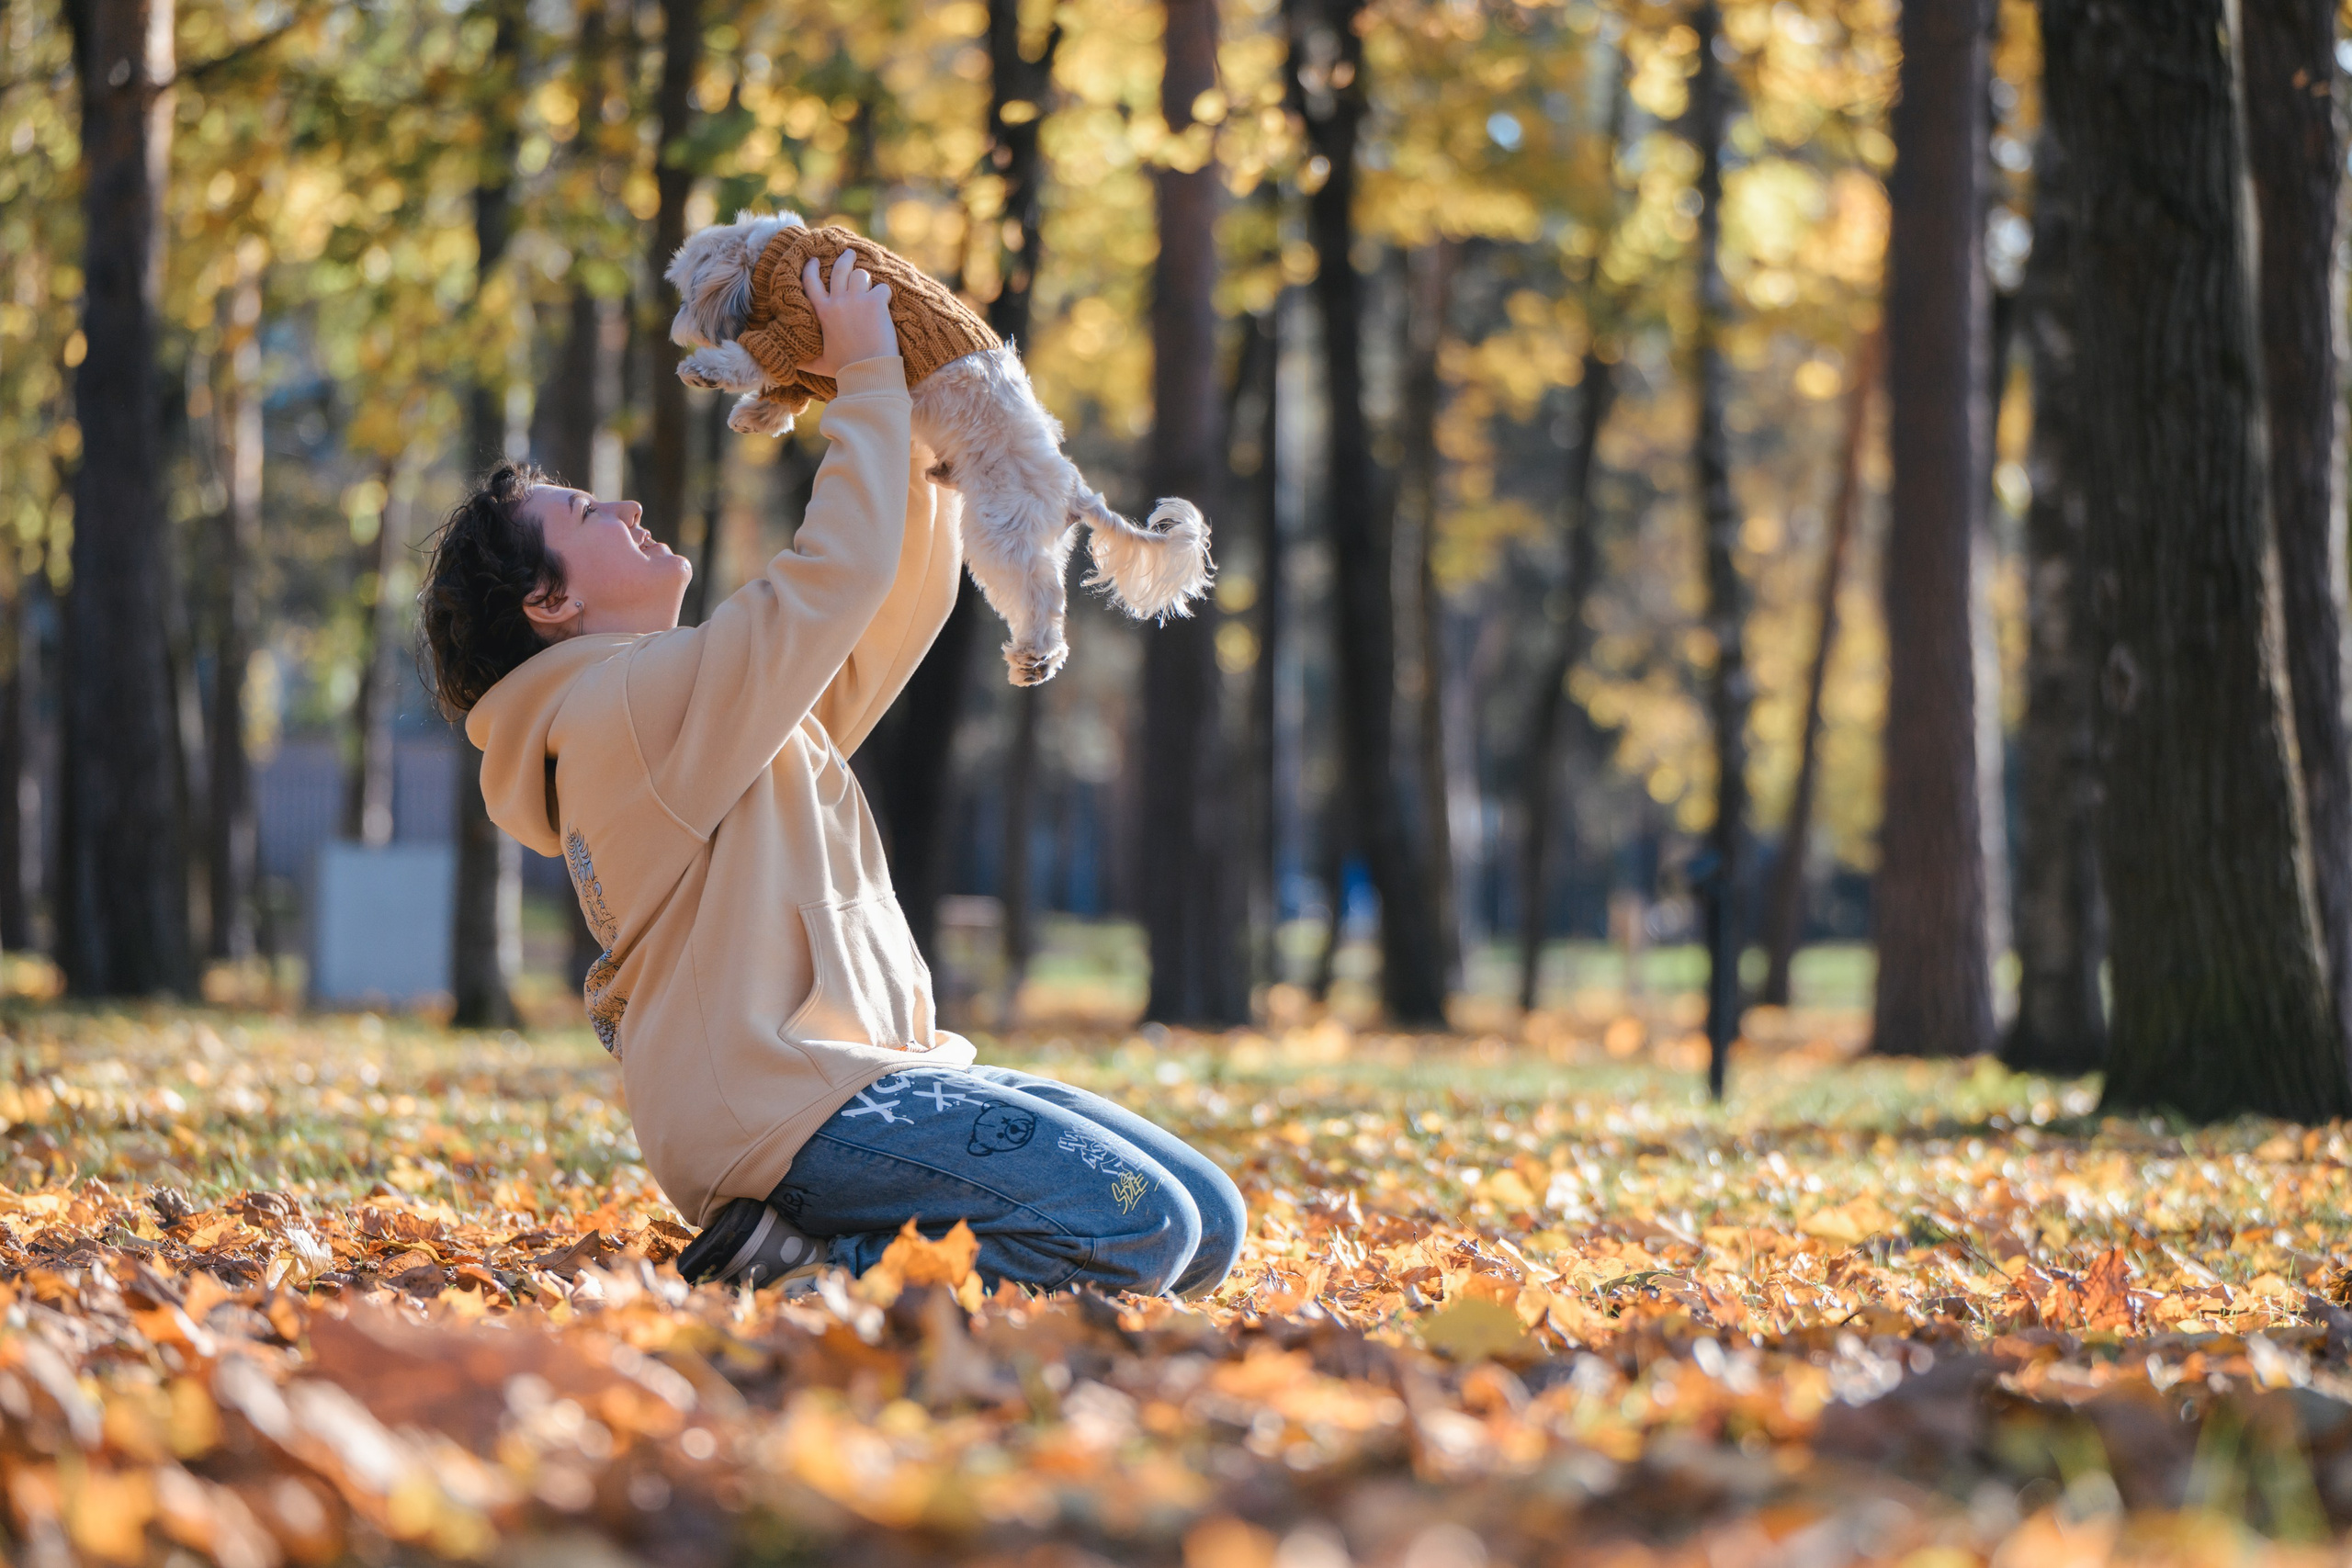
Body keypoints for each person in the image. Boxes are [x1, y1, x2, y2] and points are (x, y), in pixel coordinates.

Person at [417, 253, 1245, 1297]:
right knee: (1137, 1234)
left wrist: (912, 418)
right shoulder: (613, 709)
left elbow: (878, 619)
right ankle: (811, 1271)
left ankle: (813, 1252)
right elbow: (829, 581)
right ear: (549, 604)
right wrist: (861, 377)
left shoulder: (677, 700)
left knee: (1208, 1223)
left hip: (862, 1084)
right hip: (793, 1110)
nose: (625, 508)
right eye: (589, 520)